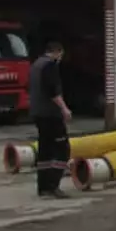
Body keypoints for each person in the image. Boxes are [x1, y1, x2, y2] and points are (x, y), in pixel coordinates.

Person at [29, 40, 73, 199]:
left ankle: (43, 187)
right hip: (50, 114)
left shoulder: (36, 65)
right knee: (62, 149)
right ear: (57, 52)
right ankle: (54, 185)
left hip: (38, 113)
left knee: (45, 150)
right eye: (60, 55)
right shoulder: (50, 66)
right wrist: (64, 108)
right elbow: (52, 91)